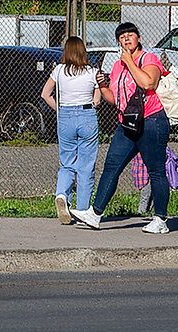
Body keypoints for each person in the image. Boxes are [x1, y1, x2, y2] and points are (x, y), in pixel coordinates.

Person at [73, 22, 172, 235]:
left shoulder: (148, 59)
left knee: (155, 170)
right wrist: (102, 85)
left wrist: (130, 61)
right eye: (122, 36)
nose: (126, 39)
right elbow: (116, 99)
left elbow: (148, 83)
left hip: (151, 121)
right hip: (127, 123)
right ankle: (95, 213)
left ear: (138, 38)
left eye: (130, 35)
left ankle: (160, 219)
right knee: (112, 166)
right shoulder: (118, 66)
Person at [40, 36, 102, 226]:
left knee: (67, 163)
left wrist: (61, 109)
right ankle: (82, 211)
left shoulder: (58, 71)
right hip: (86, 115)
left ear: (65, 51)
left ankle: (61, 194)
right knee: (86, 166)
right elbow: (97, 100)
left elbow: (45, 94)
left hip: (65, 115)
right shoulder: (92, 72)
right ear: (83, 51)